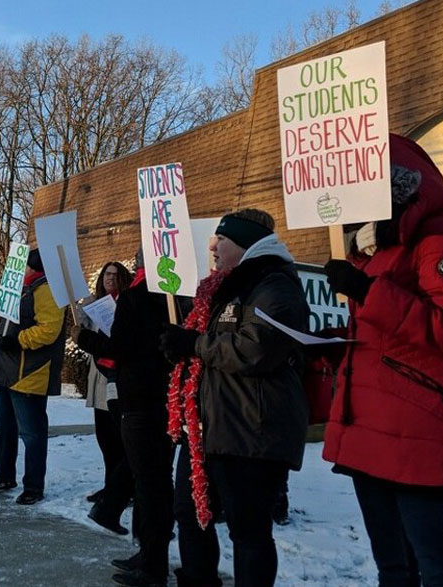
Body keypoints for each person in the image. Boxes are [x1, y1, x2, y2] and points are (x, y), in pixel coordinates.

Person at [322, 134, 443, 586]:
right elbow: (384, 333)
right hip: (374, 437)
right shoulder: (374, 253)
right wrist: (328, 340)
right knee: (394, 571)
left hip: (427, 436)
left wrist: (365, 291)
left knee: (440, 572)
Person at [159, 208, 309, 587]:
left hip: (251, 431)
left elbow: (257, 348)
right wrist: (184, 344)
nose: (212, 247)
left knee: (248, 531)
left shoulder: (274, 284)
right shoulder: (219, 288)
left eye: (221, 241)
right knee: (189, 513)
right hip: (209, 427)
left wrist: (195, 343)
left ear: (244, 244)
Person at [82, 249, 177, 587]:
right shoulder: (176, 295)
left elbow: (120, 347)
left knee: (149, 482)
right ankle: (149, 554)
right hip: (166, 398)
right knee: (154, 481)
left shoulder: (137, 297)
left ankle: (152, 563)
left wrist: (86, 339)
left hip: (139, 399)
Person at [0, 248, 66, 506]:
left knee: (32, 432)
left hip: (29, 372)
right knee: (3, 423)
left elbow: (49, 330)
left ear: (33, 267)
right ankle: (4, 474)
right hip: (9, 372)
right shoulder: (21, 289)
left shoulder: (46, 289)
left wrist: (18, 341)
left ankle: (34, 485)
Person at [71, 261, 135, 536]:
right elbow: (82, 329)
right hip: (99, 372)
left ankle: (119, 489)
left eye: (115, 274)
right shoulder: (95, 303)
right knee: (104, 435)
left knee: (119, 436)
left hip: (116, 373)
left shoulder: (127, 304)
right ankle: (111, 486)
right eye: (107, 274)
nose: (110, 279)